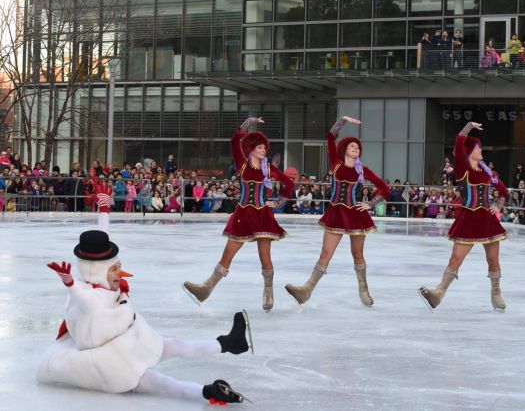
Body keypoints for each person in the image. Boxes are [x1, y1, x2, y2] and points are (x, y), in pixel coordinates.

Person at [38, 200, 253, 404]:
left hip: (123, 339)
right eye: (114, 269)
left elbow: (103, 236)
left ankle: (228, 343)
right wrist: (70, 284)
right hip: (105, 361)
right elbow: (86, 300)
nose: (120, 273)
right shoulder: (90, 295)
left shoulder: (100, 279)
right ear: (98, 271)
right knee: (157, 382)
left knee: (173, 346)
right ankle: (208, 392)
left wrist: (104, 209)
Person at [183, 117, 294, 311]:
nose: (263, 151)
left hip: (263, 216)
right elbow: (235, 140)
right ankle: (207, 288)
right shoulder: (242, 164)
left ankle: (268, 290)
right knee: (228, 253)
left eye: (264, 148)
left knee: (265, 257)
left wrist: (280, 200)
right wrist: (248, 122)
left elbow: (289, 183)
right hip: (243, 214)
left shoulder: (268, 169)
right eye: (259, 148)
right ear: (251, 149)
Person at [285, 116, 390, 308]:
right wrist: (342, 121)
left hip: (356, 215)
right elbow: (330, 137)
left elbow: (384, 187)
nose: (356, 149)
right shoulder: (336, 163)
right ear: (344, 150)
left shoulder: (362, 170)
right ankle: (306, 290)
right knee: (325, 253)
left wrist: (370, 204)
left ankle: (364, 289)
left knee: (357, 254)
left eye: (357, 147)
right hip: (336, 214)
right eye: (352, 146)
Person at [419, 122, 509, 311]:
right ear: (470, 152)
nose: (481, 150)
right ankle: (439, 293)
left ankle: (496, 293)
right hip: (468, 220)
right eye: (477, 148)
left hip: (487, 220)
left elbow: (503, 191)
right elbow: (459, 144)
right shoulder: (463, 169)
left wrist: (498, 206)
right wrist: (468, 127)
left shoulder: (487, 173)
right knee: (455, 260)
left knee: (493, 260)